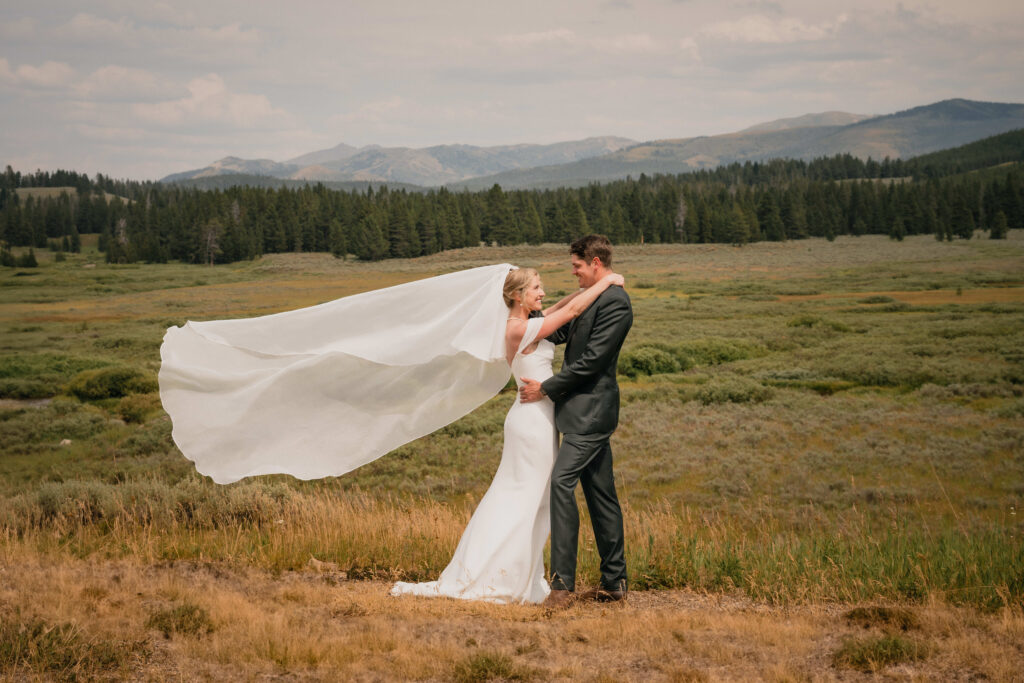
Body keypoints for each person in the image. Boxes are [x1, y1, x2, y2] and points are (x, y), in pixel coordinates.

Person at [390, 266, 625, 604]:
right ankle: (499, 574)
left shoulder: (526, 323)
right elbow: (571, 312)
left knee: (534, 497)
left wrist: (593, 287)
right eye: (536, 288)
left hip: (538, 417)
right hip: (532, 422)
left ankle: (523, 573)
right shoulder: (518, 329)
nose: (542, 294)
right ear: (517, 296)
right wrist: (606, 282)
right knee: (525, 497)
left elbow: (561, 307)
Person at [519, 234, 633, 607]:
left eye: (578, 267)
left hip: (593, 414)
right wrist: (526, 307)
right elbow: (561, 327)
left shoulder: (617, 304)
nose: (574, 273)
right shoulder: (597, 295)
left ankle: (562, 585)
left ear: (596, 263)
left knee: (560, 483)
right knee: (602, 497)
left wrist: (546, 389)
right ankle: (614, 582)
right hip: (581, 414)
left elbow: (592, 362)